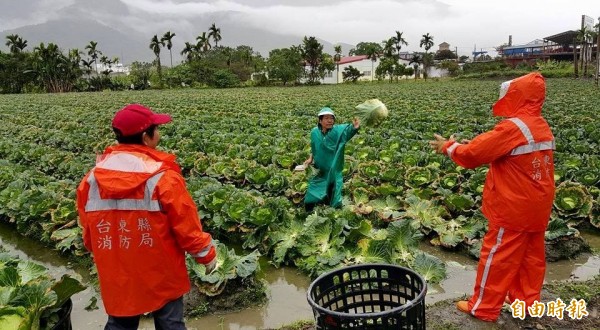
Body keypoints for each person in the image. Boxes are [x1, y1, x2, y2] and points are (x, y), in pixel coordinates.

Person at [76, 104, 217, 330]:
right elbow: (186, 225)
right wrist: (206, 255)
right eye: (156, 129)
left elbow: (88, 230)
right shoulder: (163, 178)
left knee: (120, 323)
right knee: (170, 323)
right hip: (161, 268)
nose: (159, 133)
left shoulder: (92, 178)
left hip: (117, 267)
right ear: (146, 137)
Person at [429, 72, 555, 322]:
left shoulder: (513, 126)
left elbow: (473, 154)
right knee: (531, 258)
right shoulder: (540, 125)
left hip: (513, 207)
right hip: (538, 205)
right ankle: (527, 304)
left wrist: (448, 147)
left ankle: (483, 307)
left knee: (497, 257)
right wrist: (475, 145)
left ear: (517, 96)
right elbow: (500, 149)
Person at [303, 107, 360, 210]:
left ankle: (335, 215)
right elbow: (314, 146)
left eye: (332, 118)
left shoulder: (337, 132)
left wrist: (355, 128)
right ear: (320, 121)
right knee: (310, 197)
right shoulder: (314, 132)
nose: (330, 121)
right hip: (321, 172)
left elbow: (348, 132)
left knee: (335, 200)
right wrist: (310, 158)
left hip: (334, 172)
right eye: (326, 118)